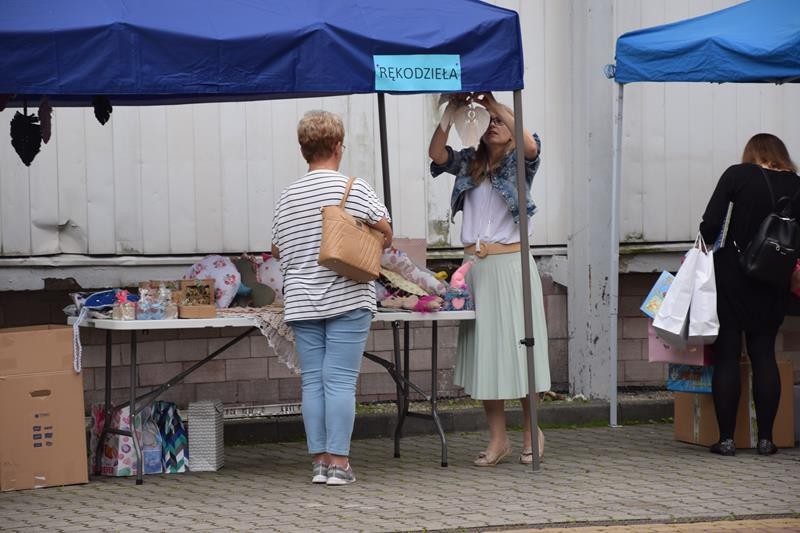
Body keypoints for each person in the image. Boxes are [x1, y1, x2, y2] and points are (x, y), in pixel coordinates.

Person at [428, 92, 551, 466]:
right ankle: (498, 440)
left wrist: (495, 105)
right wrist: (451, 113)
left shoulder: (520, 162)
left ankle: (531, 432)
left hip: (511, 265)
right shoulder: (471, 162)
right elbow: (436, 154)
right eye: (489, 122)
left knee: (521, 350)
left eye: (500, 122)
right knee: (487, 355)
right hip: (475, 269)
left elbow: (531, 146)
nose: (493, 125)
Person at [271, 110, 392, 484]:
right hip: (348, 297)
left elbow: (276, 248)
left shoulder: (288, 196)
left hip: (302, 300)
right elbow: (386, 232)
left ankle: (320, 463)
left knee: (313, 381)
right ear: (339, 146)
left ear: (303, 150)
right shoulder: (355, 188)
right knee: (339, 381)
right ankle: (340, 464)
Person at [699, 133, 800, 457]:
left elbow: (709, 226)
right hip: (774, 278)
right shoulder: (796, 185)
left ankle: (727, 439)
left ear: (751, 153)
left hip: (732, 274)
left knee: (727, 355)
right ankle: (766, 440)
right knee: (764, 354)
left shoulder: (737, 175)